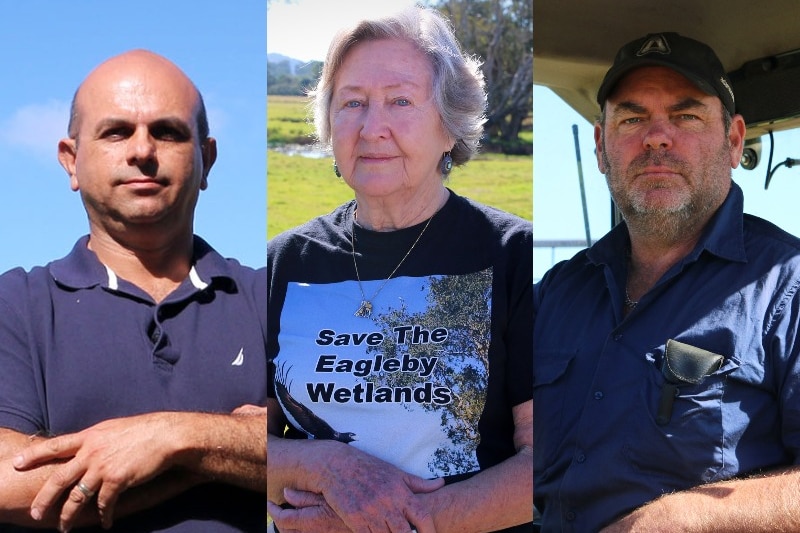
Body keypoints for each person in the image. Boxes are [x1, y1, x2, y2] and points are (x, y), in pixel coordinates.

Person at [266, 6, 533, 533]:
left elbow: (545, 460)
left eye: (401, 101)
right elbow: (245, 447)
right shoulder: (283, 262)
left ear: (450, 126)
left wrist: (394, 523)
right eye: (353, 103)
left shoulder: (511, 255)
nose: (372, 128)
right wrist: (325, 466)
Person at [533, 31, 800, 531]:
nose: (657, 137)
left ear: (734, 141)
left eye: (686, 116)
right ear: (600, 145)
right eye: (632, 119)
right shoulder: (554, 294)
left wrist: (681, 518)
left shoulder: (788, 289)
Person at [0, 50, 267, 532]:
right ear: (71, 161)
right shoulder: (15, 304)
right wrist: (228, 447)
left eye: (167, 132)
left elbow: (331, 444)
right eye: (116, 132)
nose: (142, 151)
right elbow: (7, 483)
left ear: (206, 160)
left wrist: (177, 439)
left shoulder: (273, 298)